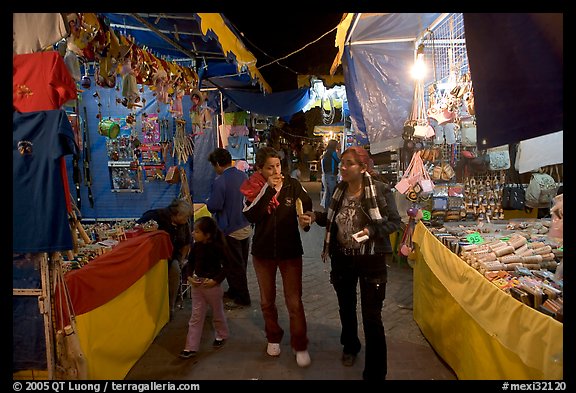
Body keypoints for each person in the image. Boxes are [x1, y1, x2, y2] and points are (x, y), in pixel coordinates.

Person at [299, 146, 403, 381]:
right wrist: (315, 216)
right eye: (342, 163)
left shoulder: (380, 190)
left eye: (349, 163)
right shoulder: (339, 189)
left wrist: (370, 230)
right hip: (343, 258)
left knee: (372, 317)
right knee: (346, 307)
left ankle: (376, 372)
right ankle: (350, 346)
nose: (343, 168)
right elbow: (332, 218)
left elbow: (394, 222)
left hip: (370, 260)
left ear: (363, 167)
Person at [240, 146, 314, 368]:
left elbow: (307, 207)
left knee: (294, 300)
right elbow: (251, 215)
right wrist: (268, 191)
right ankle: (273, 337)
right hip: (263, 253)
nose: (275, 170)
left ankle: (300, 344)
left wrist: (306, 220)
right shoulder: (253, 188)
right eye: (269, 167)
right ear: (260, 169)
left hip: (290, 252)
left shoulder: (292, 185)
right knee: (266, 300)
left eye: (278, 165)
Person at [206, 148, 252, 308]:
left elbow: (215, 205)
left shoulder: (220, 181)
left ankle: (243, 298)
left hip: (230, 228)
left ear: (218, 164)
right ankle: (234, 291)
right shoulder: (242, 175)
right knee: (240, 263)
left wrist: (208, 201)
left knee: (234, 266)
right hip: (245, 225)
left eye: (214, 165)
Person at [179, 216, 230, 359]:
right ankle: (190, 347)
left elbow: (227, 266)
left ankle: (221, 334)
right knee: (196, 316)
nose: (193, 234)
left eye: (197, 231)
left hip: (212, 287)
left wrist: (216, 281)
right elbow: (190, 263)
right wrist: (189, 277)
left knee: (217, 312)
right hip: (198, 285)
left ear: (207, 235)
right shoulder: (196, 246)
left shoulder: (218, 247)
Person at [136, 199, 193, 320]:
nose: (187, 220)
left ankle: (170, 306)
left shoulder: (184, 225)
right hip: (153, 257)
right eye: (186, 217)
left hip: (173, 257)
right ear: (177, 215)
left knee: (175, 270)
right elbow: (137, 229)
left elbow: (187, 243)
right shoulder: (155, 216)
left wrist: (181, 260)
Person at [321, 139, 341, 208]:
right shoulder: (332, 152)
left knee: (328, 192)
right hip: (331, 174)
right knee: (332, 192)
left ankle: (327, 208)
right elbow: (338, 160)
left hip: (327, 173)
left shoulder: (326, 152)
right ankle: (331, 208)